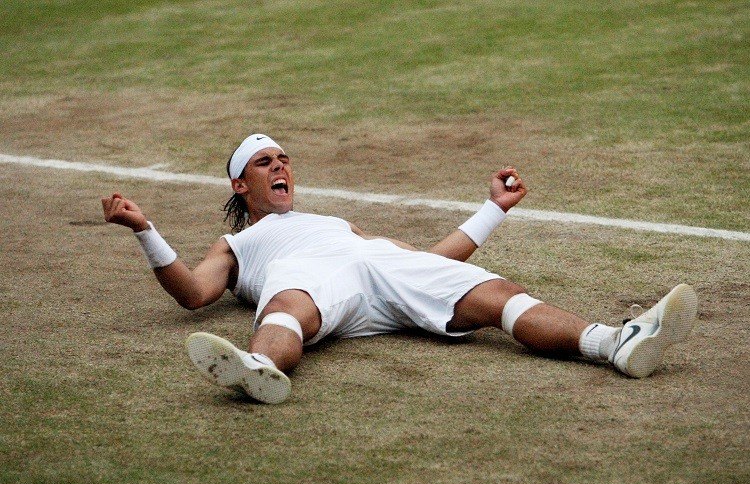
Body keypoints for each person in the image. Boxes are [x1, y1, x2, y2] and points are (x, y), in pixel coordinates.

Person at [101, 133, 698, 404]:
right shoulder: (241, 243)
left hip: (380, 268)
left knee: (497, 294)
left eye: (284, 157)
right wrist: (145, 229)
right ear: (241, 181)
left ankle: (613, 344)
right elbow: (193, 293)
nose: (280, 165)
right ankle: (259, 368)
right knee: (290, 308)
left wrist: (491, 210)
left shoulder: (338, 223)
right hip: (309, 280)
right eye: (264, 161)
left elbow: (427, 262)